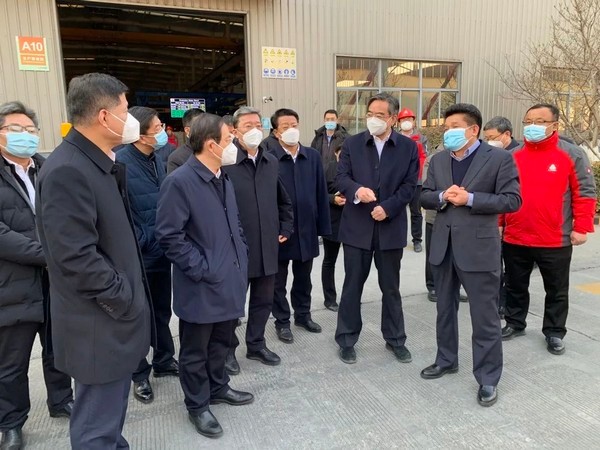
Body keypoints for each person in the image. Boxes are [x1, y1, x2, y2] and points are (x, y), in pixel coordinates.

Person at [36, 73, 152, 448]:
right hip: (98, 326)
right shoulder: (69, 170)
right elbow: (75, 258)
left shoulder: (97, 162)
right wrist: (123, 297)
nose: (130, 118)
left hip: (110, 321)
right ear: (104, 116)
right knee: (96, 429)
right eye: (124, 109)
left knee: (108, 421)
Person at [155, 113, 254, 439]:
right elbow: (169, 236)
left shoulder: (221, 177)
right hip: (201, 284)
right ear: (211, 145)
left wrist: (240, 255)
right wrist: (202, 268)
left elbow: (233, 223)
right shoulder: (180, 182)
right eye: (229, 140)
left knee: (221, 342)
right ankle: (197, 404)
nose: (234, 145)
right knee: (195, 350)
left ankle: (218, 387)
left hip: (229, 279)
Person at [420, 103, 521, 407]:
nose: (448, 132)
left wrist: (471, 198)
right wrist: (441, 196)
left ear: (473, 129)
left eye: (455, 127)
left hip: (478, 249)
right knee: (444, 310)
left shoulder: (499, 158)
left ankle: (488, 377)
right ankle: (446, 359)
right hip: (443, 246)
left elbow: (512, 200)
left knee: (484, 316)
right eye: (446, 127)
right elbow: (424, 195)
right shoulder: (439, 160)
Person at [0, 101, 73, 450]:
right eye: (16, 130)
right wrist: (48, 254)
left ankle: (61, 400)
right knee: (11, 361)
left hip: (54, 280)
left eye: (30, 130)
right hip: (12, 283)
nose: (25, 136)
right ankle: (11, 422)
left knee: (58, 347)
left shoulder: (46, 169)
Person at [500, 103, 596, 355]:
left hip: (554, 238)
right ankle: (514, 322)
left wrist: (581, 227)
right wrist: (499, 224)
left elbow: (585, 192)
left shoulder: (572, 154)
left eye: (540, 121)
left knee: (556, 289)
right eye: (528, 121)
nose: (532, 126)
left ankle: (554, 331)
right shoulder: (513, 156)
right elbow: (502, 193)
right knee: (514, 284)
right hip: (516, 235)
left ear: (555, 125)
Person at [334, 93, 419, 365]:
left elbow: (410, 185)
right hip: (357, 227)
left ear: (393, 118)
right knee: (352, 286)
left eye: (380, 115)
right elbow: (341, 177)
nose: (373, 119)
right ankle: (346, 339)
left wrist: (389, 208)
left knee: (391, 287)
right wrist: (357, 190)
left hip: (390, 228)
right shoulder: (353, 144)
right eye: (370, 114)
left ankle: (395, 339)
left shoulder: (408, 147)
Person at [222, 106, 294, 374]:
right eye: (247, 126)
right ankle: (227, 351)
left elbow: (282, 199)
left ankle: (256, 344)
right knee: (233, 305)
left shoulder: (270, 161)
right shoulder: (226, 162)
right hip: (237, 249)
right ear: (234, 131)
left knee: (263, 301)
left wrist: (286, 227)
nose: (254, 130)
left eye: (257, 125)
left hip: (267, 246)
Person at [115, 107, 179, 405]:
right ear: (141, 135)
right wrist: (143, 241)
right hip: (138, 255)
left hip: (161, 252)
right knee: (138, 317)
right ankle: (139, 373)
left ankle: (164, 359)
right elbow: (118, 215)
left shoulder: (158, 158)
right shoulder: (120, 164)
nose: (162, 132)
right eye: (157, 128)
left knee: (162, 311)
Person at [268, 108, 331, 344]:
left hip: (307, 228)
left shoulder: (311, 156)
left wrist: (323, 227)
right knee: (278, 281)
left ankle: (303, 315)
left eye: (294, 125)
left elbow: (321, 192)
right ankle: (282, 321)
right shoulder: (269, 158)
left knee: (304, 278)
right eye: (285, 126)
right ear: (276, 132)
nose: (291, 130)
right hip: (281, 230)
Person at [397, 108, 428, 252]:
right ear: (399, 122)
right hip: (398, 182)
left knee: (416, 211)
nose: (406, 122)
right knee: (397, 210)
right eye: (403, 119)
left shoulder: (421, 138)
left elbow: (423, 158)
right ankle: (398, 238)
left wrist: (417, 175)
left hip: (416, 181)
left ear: (414, 121)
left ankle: (417, 240)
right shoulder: (394, 137)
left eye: (409, 119)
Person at [321, 144, 345, 312]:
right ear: (336, 154)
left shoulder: (357, 168)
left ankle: (351, 297)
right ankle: (329, 299)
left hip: (353, 221)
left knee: (354, 263)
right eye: (341, 153)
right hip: (333, 220)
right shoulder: (328, 168)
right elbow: (318, 192)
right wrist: (332, 199)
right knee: (330, 260)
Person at [167, 108, 204, 174]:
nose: (205, 129)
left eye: (207, 125)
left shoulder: (215, 151)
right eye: (199, 126)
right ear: (187, 130)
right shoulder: (176, 158)